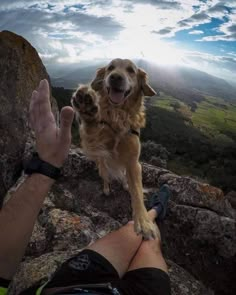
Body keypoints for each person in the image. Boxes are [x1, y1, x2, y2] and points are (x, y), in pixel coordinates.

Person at [0, 80, 171, 295]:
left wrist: (46, 167)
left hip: (69, 284)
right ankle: (154, 211)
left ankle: (152, 211)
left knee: (133, 228)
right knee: (149, 243)